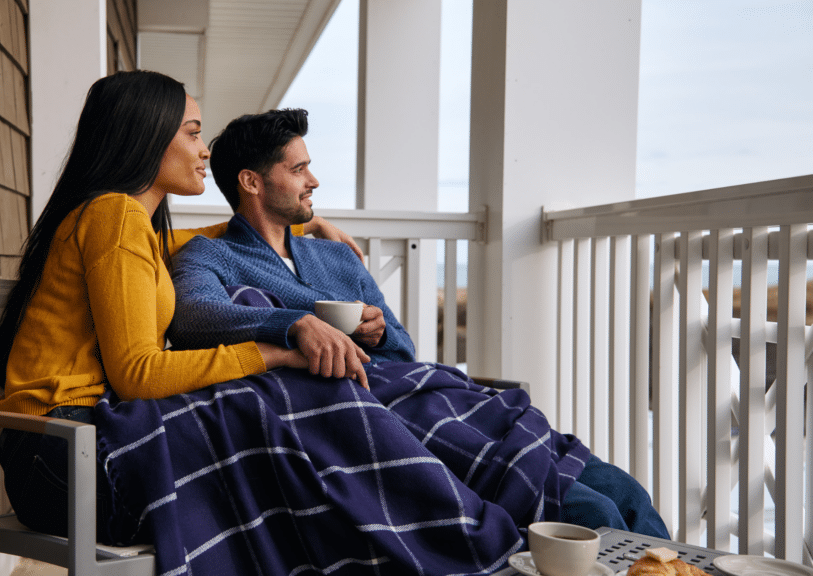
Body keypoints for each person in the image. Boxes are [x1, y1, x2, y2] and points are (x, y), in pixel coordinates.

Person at [166, 107, 670, 540]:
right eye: (298, 170)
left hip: (431, 399)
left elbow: (403, 351)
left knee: (625, 492)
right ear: (252, 182)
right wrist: (297, 324)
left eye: (310, 168)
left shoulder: (335, 258)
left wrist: (378, 333)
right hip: (371, 421)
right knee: (590, 513)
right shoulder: (212, 256)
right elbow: (194, 316)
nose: (313, 181)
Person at [0, 72, 359, 543]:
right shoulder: (114, 217)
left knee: (272, 466)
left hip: (65, 446)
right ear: (147, 134)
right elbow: (139, 375)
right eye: (194, 132)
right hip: (62, 454)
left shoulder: (125, 224)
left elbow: (200, 239)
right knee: (276, 477)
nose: (205, 150)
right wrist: (276, 351)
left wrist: (307, 224)